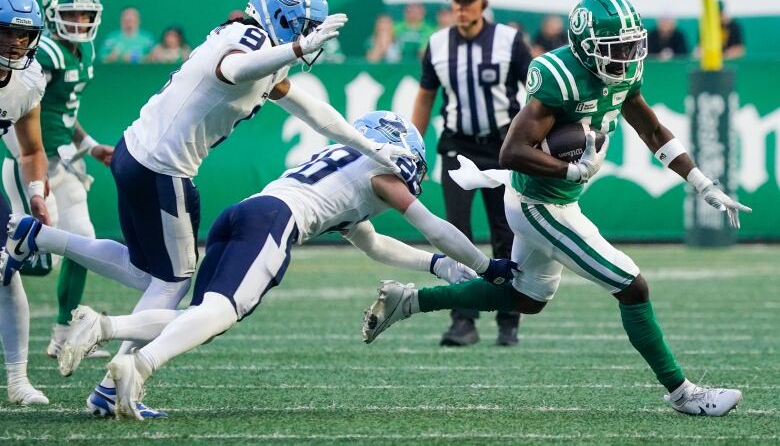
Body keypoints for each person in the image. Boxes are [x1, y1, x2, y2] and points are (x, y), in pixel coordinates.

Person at [1, 0, 413, 418]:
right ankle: (110, 384)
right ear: (283, 17)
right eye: (306, 27)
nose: (311, 36)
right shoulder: (251, 43)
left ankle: (35, 237)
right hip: (163, 168)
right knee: (175, 283)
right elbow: (234, 68)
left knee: (144, 271)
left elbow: (314, 111)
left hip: (137, 154)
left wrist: (367, 145)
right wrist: (294, 48)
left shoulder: (259, 47)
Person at [362, 0, 751, 417]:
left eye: (629, 45)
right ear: (586, 46)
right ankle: (683, 393)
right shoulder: (558, 76)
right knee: (632, 286)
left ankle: (410, 302)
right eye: (614, 48)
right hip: (539, 204)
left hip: (556, 199)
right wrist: (569, 172)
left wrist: (698, 180)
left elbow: (649, 125)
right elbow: (512, 151)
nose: (625, 57)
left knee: (526, 298)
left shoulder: (622, 71)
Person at [16, 111, 516, 419]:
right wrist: (481, 261)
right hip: (276, 222)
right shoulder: (381, 172)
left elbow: (374, 244)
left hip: (246, 211)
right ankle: (114, 337)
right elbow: (432, 224)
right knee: (221, 313)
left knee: (203, 317)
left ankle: (107, 390)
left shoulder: (343, 170)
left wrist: (437, 266)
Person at [412, 0, 531, 346]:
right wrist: (412, 145)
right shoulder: (436, 45)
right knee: (456, 233)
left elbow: (537, 93)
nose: (460, 8)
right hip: (458, 147)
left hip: (502, 147)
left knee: (506, 231)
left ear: (483, 3)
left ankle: (509, 318)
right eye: (456, 2)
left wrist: (534, 140)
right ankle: (463, 319)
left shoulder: (509, 41)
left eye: (467, 2)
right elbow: (425, 96)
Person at [7, 0, 115, 360]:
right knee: (31, 260)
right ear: (52, 16)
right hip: (30, 164)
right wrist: (27, 165)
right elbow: (21, 108)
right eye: (74, 14)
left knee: (83, 242)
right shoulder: (45, 53)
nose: (81, 22)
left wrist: (87, 145)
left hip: (62, 161)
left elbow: (65, 112)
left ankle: (64, 333)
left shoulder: (83, 53)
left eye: (87, 15)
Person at [0, 0, 52, 405]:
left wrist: (36, 193)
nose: (15, 43)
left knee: (5, 272)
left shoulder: (28, 82)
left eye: (23, 34)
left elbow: (32, 149)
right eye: (5, 32)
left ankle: (17, 380)